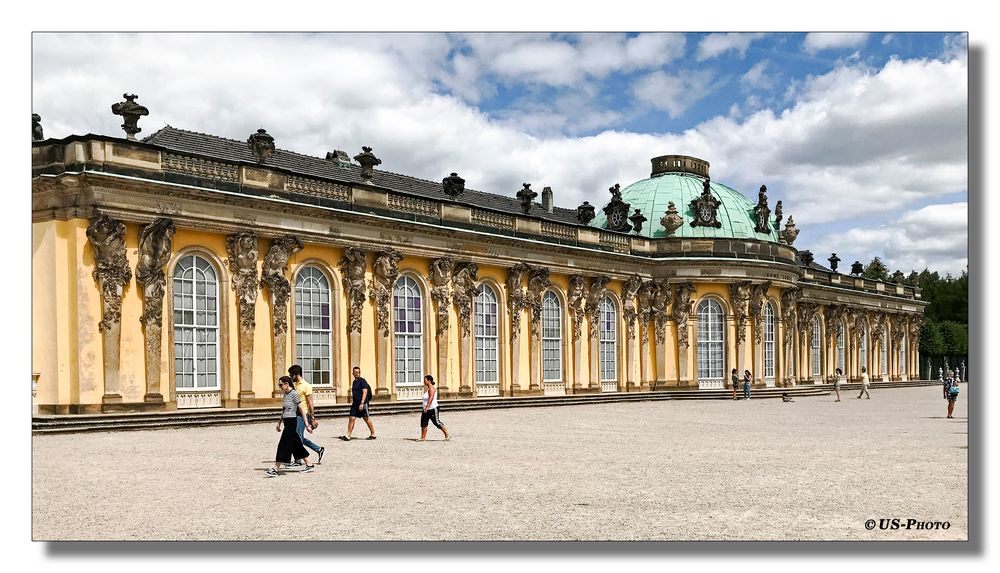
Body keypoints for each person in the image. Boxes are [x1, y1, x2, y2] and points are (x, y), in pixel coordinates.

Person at [265, 376, 315, 477]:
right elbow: (284, 410)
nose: (279, 387)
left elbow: (301, 409)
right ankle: (309, 464)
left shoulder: (294, 394)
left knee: (283, 443)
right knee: (296, 444)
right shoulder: (286, 394)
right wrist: (279, 422)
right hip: (286, 421)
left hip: (292, 421)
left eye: (280, 385)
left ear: (286, 384)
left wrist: (306, 423)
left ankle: (276, 468)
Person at [289, 364, 324, 465]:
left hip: (303, 414)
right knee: (298, 437)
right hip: (294, 414)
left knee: (297, 437)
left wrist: (312, 418)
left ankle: (298, 460)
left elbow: (310, 403)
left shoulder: (307, 386)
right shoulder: (294, 385)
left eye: (292, 375)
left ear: (297, 374)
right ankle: (318, 449)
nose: (291, 377)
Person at [341, 366, 376, 441]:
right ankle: (348, 435)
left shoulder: (362, 381)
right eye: (355, 372)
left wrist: (362, 403)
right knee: (351, 418)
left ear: (360, 373)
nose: (356, 374)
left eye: (358, 372)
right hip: (355, 404)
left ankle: (373, 434)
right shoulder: (354, 382)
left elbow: (365, 392)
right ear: (353, 373)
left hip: (362, 403)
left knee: (366, 418)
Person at [418, 375, 451, 441]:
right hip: (425, 409)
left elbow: (431, 398)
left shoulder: (432, 389)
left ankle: (447, 435)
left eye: (425, 380)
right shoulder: (427, 389)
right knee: (423, 423)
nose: (424, 382)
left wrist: (427, 406)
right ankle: (423, 437)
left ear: (429, 381)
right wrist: (425, 407)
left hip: (432, 408)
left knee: (436, 422)